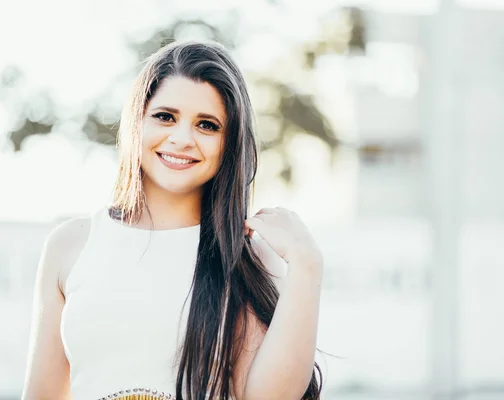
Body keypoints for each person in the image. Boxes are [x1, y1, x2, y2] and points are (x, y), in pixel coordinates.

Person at [21, 40, 323, 400]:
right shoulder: (70, 246)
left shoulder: (246, 258)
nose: (181, 139)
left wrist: (307, 266)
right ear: (138, 121)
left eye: (207, 125)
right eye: (165, 116)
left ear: (230, 142)